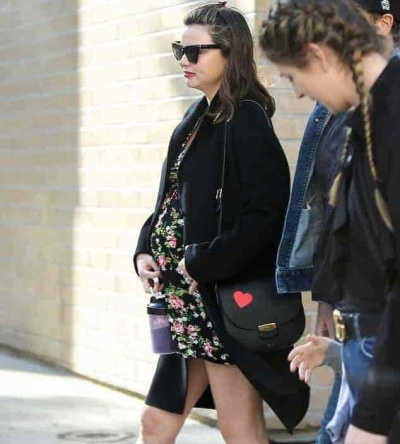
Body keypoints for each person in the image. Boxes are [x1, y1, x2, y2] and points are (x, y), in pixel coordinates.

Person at [133, 3, 309, 443]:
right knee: (156, 424)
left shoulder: (245, 118)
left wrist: (203, 262)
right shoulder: (197, 118)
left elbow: (267, 214)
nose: (185, 60)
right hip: (185, 305)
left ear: (231, 54)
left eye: (196, 52)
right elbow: (172, 201)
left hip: (218, 306)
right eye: (180, 50)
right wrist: (144, 249)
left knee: (240, 431)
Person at [260, 0, 400, 443]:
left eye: (292, 76)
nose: (300, 94)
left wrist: (372, 421)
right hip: (368, 360)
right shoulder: (365, 115)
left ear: (318, 54)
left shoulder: (392, 115)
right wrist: (342, 347)